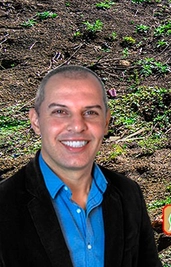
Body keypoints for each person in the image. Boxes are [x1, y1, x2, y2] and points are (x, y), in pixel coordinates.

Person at [0, 65, 162, 267]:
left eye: (91, 112)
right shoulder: (5, 204)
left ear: (106, 122)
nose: (77, 126)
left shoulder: (129, 194)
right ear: (36, 121)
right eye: (60, 111)